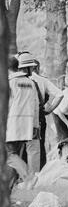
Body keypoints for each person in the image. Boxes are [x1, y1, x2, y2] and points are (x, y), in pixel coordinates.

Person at [18, 53, 64, 170]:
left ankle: (24, 175)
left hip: (21, 118)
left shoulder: (16, 80)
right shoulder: (41, 80)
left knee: (22, 147)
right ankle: (39, 173)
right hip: (38, 117)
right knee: (38, 147)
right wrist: (50, 109)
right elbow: (59, 94)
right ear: (34, 67)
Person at [6, 55, 40, 187]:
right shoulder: (30, 82)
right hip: (27, 125)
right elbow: (35, 103)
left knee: (9, 155)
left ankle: (28, 177)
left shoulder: (10, 82)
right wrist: (35, 124)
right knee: (15, 156)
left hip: (12, 124)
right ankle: (12, 185)